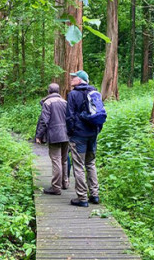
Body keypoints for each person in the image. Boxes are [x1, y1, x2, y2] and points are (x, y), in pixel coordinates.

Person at [66, 70, 102, 207]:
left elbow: (69, 116)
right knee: (91, 164)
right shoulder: (94, 92)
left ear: (80, 80)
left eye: (74, 77)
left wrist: (70, 132)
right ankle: (95, 195)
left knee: (79, 165)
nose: (71, 79)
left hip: (79, 136)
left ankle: (82, 198)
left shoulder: (73, 94)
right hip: (92, 134)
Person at [35, 83, 69, 195]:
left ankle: (56, 187)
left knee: (56, 161)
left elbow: (44, 121)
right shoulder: (65, 102)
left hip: (55, 135)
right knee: (64, 160)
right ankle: (65, 183)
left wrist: (39, 136)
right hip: (66, 134)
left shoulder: (47, 103)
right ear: (58, 91)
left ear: (49, 91)